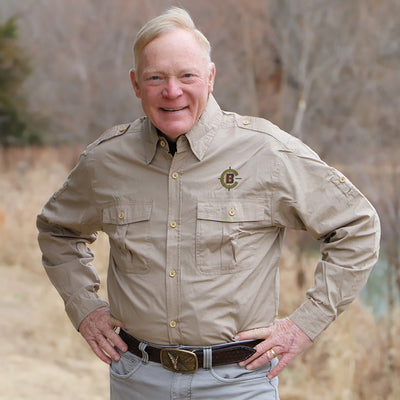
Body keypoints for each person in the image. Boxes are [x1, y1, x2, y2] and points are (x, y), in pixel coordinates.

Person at [37, 7, 380, 400]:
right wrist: (84, 307)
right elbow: (56, 230)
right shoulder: (106, 160)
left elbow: (358, 226)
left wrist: (305, 325)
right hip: (136, 379)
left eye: (187, 75)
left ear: (211, 78)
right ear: (136, 84)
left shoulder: (265, 152)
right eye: (156, 78)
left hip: (238, 383)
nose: (172, 91)